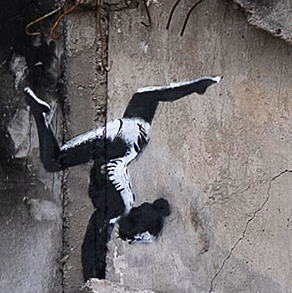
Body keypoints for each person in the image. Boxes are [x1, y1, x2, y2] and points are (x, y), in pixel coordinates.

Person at [23, 76, 219, 279]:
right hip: (117, 143)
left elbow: (148, 95)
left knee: (55, 160)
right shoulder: (117, 208)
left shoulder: (123, 199)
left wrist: (195, 86)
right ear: (140, 229)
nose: (130, 242)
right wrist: (95, 284)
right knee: (53, 161)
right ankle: (41, 115)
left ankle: (41, 114)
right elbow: (92, 246)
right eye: (137, 239)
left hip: (123, 132)